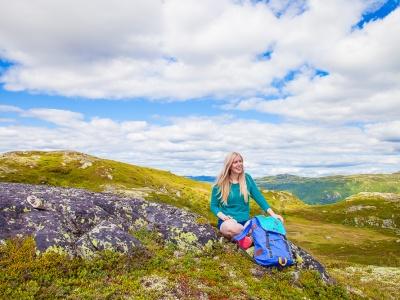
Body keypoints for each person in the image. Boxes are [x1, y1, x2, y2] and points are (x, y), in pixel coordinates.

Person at [210, 152, 284, 248]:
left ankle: (244, 237)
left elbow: (259, 198)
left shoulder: (247, 179)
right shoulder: (220, 184)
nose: (239, 164)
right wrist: (223, 216)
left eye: (240, 161)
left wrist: (273, 214)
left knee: (269, 224)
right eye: (235, 162)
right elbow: (214, 205)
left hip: (246, 223)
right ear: (229, 165)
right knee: (229, 228)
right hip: (229, 222)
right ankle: (250, 236)